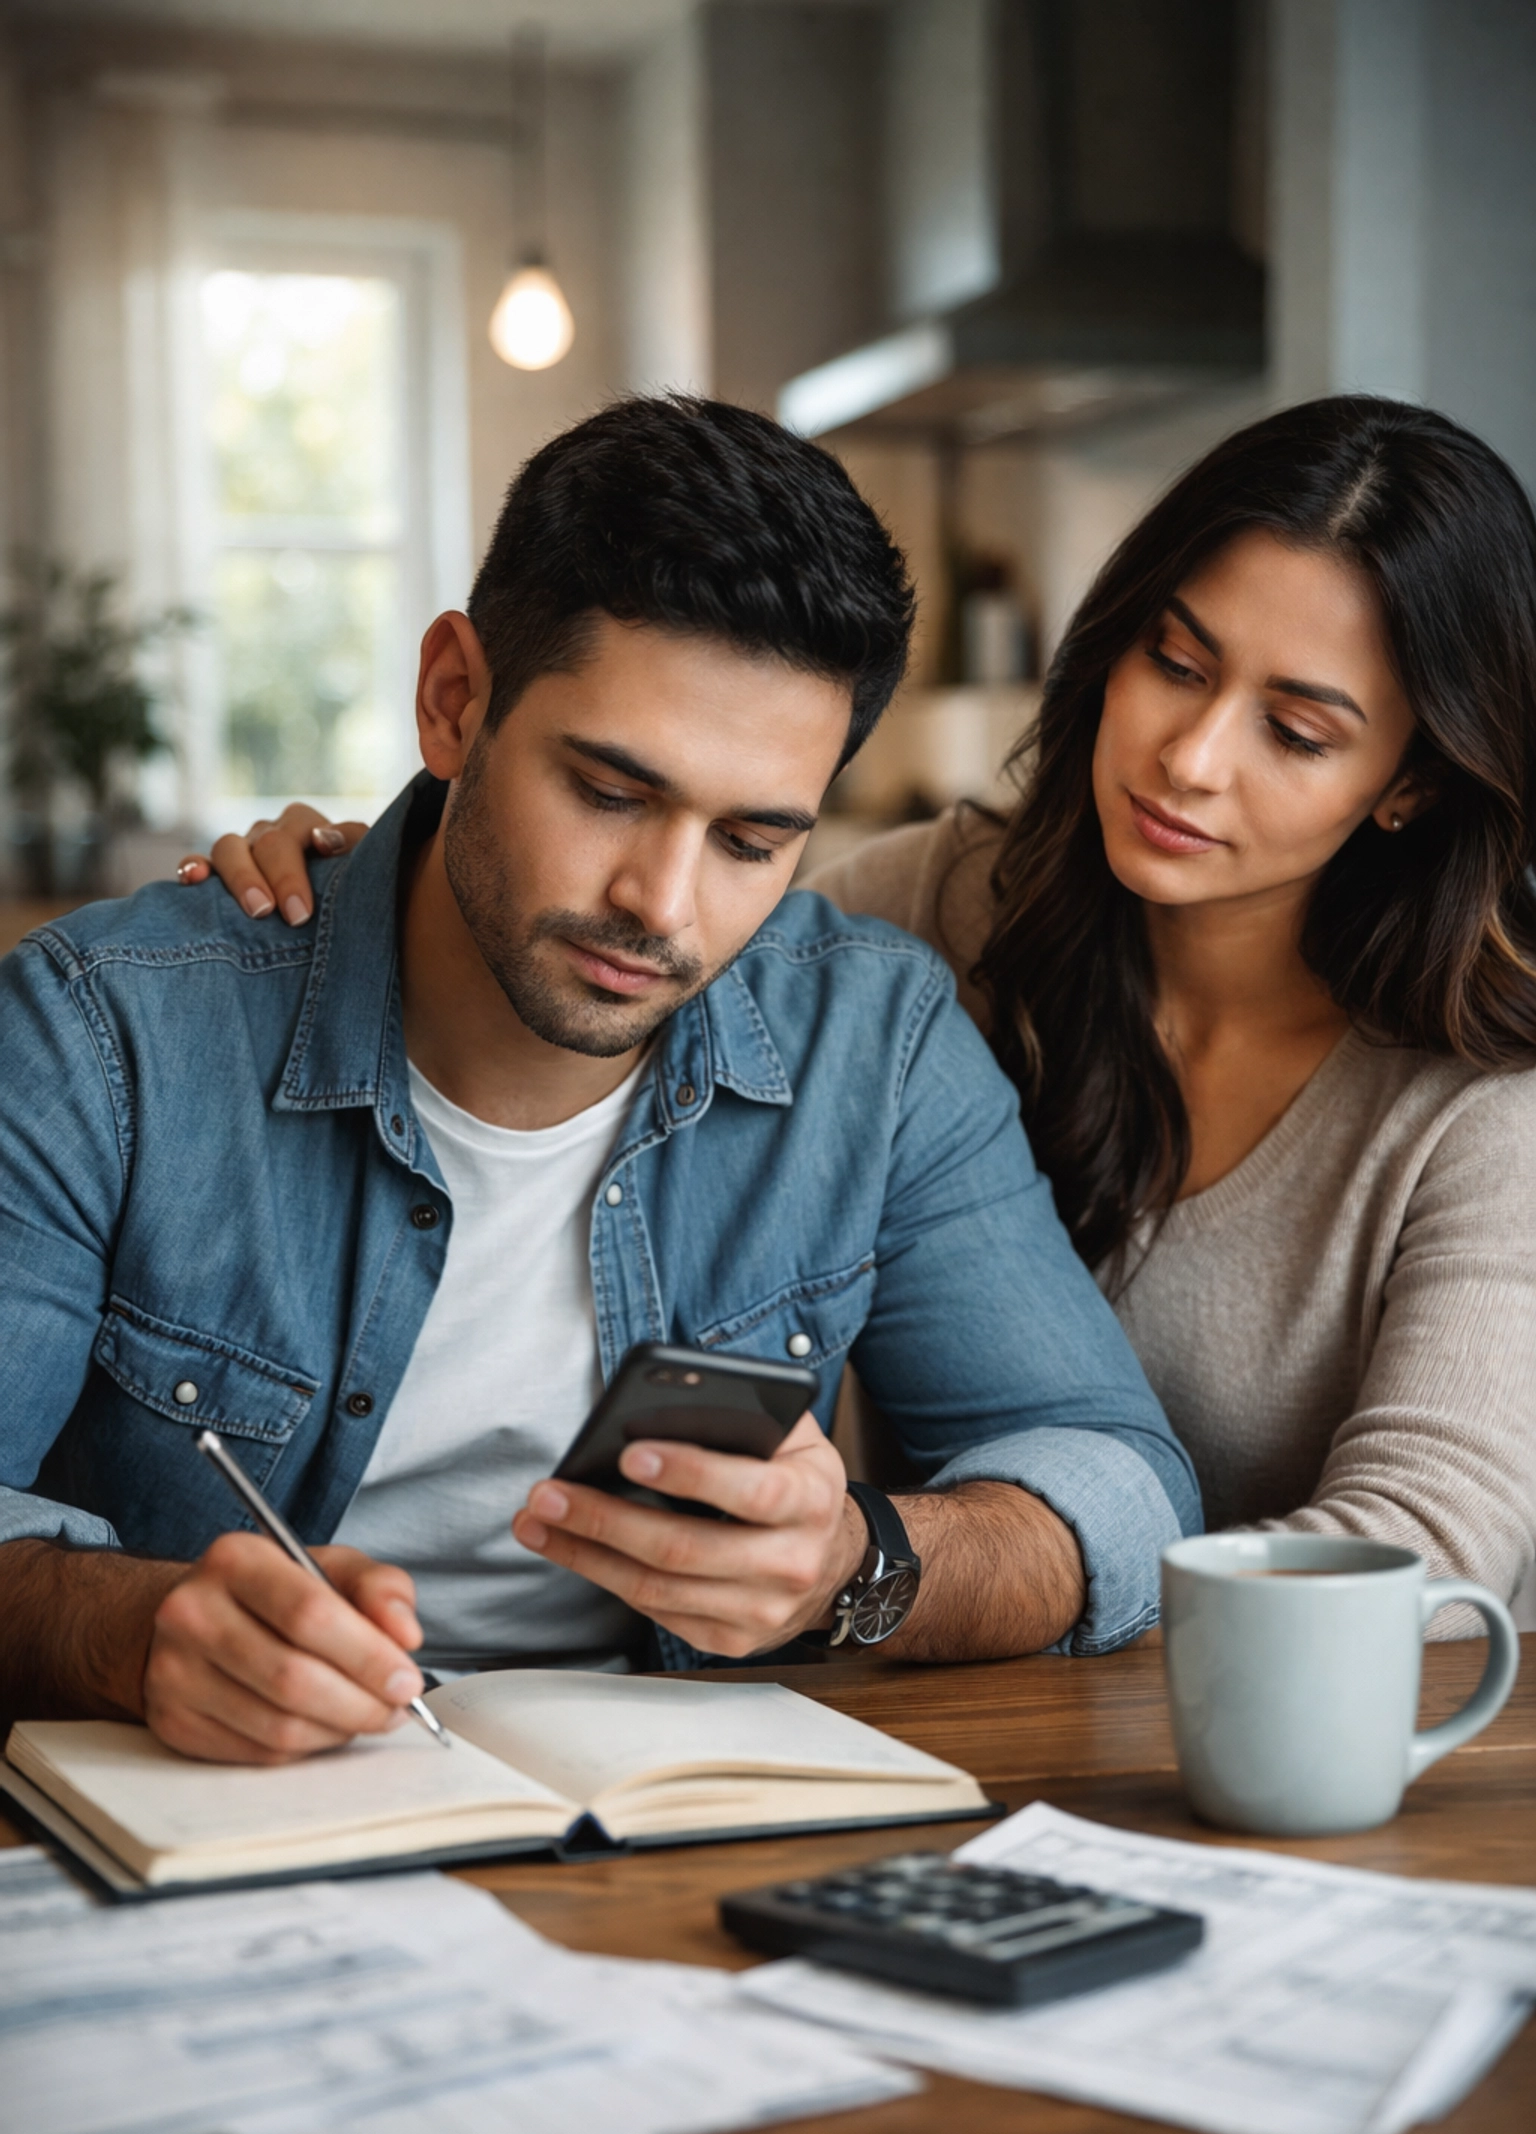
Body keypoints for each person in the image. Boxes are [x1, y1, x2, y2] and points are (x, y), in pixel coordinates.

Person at [0, 395, 1199, 1765]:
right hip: (220, 1812)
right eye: (612, 794)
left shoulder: (874, 1042)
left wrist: (857, 1562)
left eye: (752, 841)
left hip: (679, 1816)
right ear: (455, 701)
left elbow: (1121, 1487)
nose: (662, 906)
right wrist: (132, 1634)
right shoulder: (104, 1032)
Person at [228, 397, 1536, 1632]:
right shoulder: (930, 909)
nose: (1190, 758)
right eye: (1176, 662)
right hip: (979, 1696)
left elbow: (1435, 1551)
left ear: (1411, 783)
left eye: (1296, 732)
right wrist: (382, 881)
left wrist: (958, 1573)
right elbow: (650, 926)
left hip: (1293, 1711)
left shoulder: (1480, 1105)